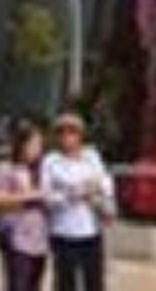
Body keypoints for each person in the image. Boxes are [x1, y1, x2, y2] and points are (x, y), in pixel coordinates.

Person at [39, 112, 113, 291]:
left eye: (72, 132)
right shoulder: (51, 161)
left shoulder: (92, 156)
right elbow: (47, 196)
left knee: (94, 281)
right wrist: (72, 194)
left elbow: (105, 184)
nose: (67, 137)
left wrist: (93, 191)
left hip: (90, 230)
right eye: (62, 132)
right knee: (65, 282)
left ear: (80, 135)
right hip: (63, 232)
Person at [0, 118, 49, 291]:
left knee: (34, 285)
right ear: (22, 144)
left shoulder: (43, 170)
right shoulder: (7, 169)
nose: (37, 149)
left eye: (40, 145)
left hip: (39, 240)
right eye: (33, 144)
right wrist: (32, 195)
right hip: (16, 237)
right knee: (17, 285)